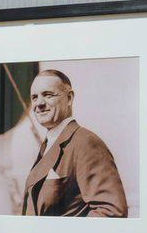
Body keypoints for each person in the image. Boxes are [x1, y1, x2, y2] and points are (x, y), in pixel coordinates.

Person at [18, 68, 127, 217]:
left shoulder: (85, 142)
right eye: (34, 97)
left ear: (69, 98)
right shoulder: (48, 144)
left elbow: (111, 211)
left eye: (48, 95)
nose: (39, 103)